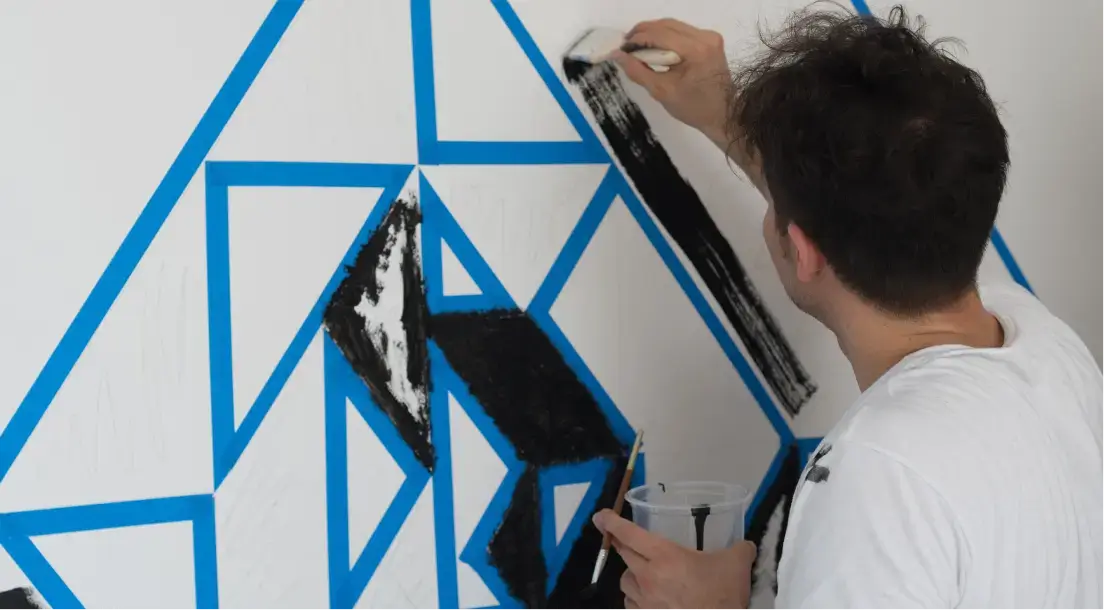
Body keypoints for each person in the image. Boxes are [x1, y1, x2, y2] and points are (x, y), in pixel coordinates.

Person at [591, 5, 1104, 609]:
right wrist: (729, 114)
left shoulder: (879, 478)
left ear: (802, 249)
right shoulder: (1043, 344)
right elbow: (881, 210)